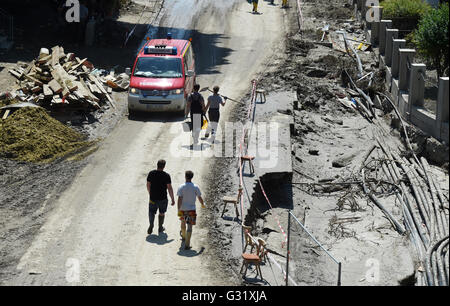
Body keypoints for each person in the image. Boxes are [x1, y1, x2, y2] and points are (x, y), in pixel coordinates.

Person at [177, 171, 206, 250]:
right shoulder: (195, 187)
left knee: (183, 223)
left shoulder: (181, 187)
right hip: (191, 209)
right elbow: (199, 197)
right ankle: (187, 244)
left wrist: (178, 209)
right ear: (192, 177)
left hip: (183, 209)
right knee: (189, 226)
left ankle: (183, 236)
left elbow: (179, 199)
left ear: (185, 176)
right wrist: (203, 204)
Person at [146, 160, 175, 235]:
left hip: (153, 198)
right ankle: (160, 227)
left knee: (151, 212)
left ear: (157, 165)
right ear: (164, 166)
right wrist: (172, 199)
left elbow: (148, 184)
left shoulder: (151, 173)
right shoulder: (166, 176)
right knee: (162, 213)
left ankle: (151, 224)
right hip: (163, 199)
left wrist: (150, 193)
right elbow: (169, 188)